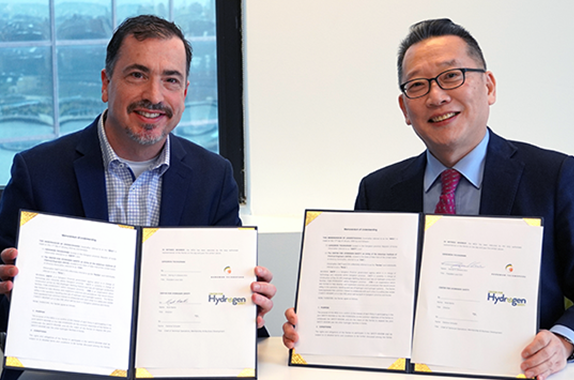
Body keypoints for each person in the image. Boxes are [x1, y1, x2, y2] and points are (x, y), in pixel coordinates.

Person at [283, 18, 574, 380]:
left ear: (489, 86)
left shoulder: (555, 175)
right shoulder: (378, 190)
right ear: (405, 109)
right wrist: (317, 323)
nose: (436, 96)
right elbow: (363, 301)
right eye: (418, 86)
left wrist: (563, 342)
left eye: (452, 76)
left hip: (517, 372)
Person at [0, 13, 275, 350]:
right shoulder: (37, 171)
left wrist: (248, 310)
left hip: (174, 363)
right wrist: (6, 293)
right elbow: (7, 304)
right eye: (137, 74)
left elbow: (223, 300)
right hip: (67, 364)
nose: (154, 96)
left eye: (171, 80)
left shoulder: (213, 177)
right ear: (105, 83)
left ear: (185, 92)